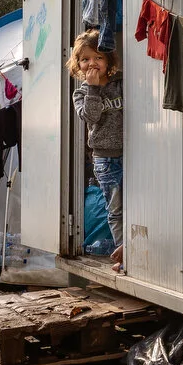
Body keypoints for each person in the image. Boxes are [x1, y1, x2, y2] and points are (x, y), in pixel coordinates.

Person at [69, 29, 124, 271]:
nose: (92, 63)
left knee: (141, 203)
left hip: (134, 154)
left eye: (98, 57)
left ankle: (135, 250)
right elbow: (90, 116)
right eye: (85, 59)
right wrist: (92, 89)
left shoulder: (121, 82)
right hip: (105, 160)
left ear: (108, 60)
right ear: (78, 64)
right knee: (116, 209)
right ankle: (124, 255)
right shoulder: (81, 92)